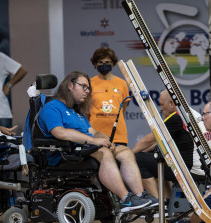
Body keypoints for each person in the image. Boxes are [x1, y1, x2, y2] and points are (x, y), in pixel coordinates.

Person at [37, 71, 158, 213]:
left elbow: (93, 131)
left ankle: (139, 196)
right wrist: (94, 141)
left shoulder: (77, 112)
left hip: (85, 149)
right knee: (104, 153)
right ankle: (126, 199)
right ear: (70, 85)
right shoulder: (52, 107)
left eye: (88, 89)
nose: (87, 92)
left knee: (125, 152)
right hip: (65, 154)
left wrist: (104, 138)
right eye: (84, 87)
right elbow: (60, 132)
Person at [132, 90, 204, 204]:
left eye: (162, 105)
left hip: (189, 170)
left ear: (171, 103)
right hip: (200, 168)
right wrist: (145, 151)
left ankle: (155, 205)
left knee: (138, 159)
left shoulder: (177, 117)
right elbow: (160, 142)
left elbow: (150, 138)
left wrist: (131, 154)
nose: (161, 109)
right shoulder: (191, 113)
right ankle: (166, 202)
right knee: (153, 157)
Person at [89, 47, 130, 145]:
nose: (104, 65)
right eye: (100, 62)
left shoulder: (122, 83)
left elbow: (122, 109)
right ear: (95, 63)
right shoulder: (89, 83)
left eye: (107, 62)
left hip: (118, 135)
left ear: (113, 63)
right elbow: (85, 111)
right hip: (95, 135)